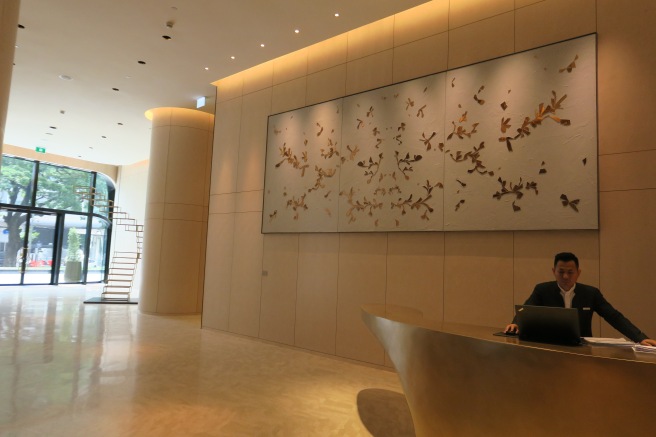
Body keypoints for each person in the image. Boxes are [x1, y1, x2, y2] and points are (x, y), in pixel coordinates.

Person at [504, 252, 656, 346]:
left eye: (570, 272)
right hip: (550, 345)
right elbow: (526, 309)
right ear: (553, 271)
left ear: (578, 272)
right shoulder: (542, 290)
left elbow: (614, 316)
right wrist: (515, 323)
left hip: (582, 348)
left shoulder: (590, 293)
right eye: (561, 271)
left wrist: (639, 337)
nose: (565, 276)